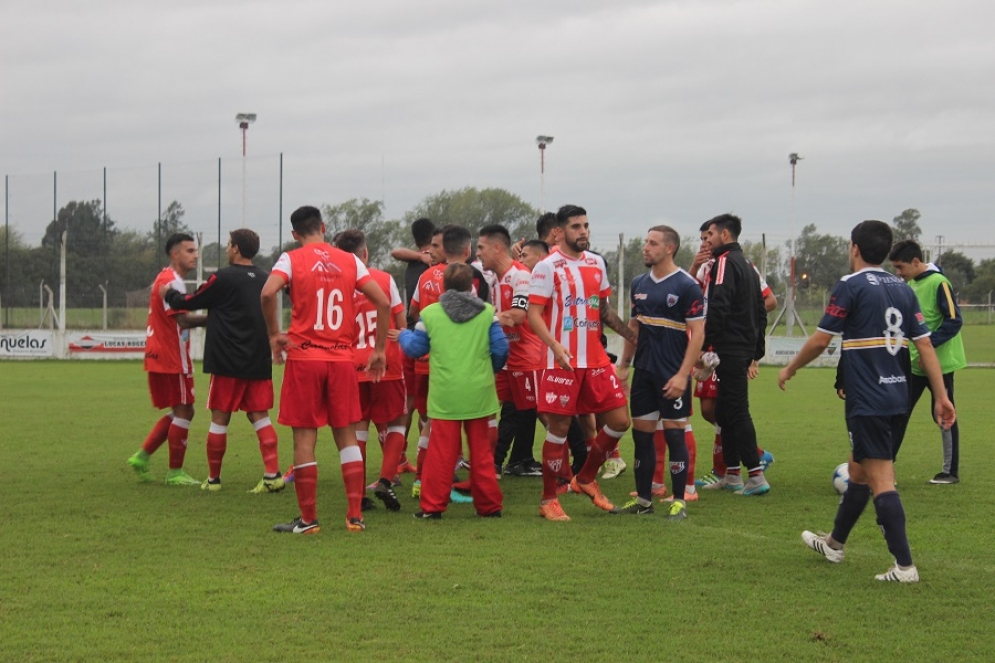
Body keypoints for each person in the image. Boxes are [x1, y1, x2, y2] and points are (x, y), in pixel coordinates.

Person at [779, 220, 955, 583]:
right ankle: (834, 544)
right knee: (858, 470)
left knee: (880, 479)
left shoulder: (850, 285)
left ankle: (904, 566)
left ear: (854, 248)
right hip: (897, 394)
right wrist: (941, 396)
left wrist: (791, 367)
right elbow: (924, 346)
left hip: (867, 398)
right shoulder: (904, 288)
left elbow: (820, 340)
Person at [262, 205, 390, 535]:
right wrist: (378, 349)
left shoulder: (291, 258)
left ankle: (308, 520)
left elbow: (267, 292)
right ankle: (354, 516)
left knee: (305, 437)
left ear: (294, 234)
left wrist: (275, 334)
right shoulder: (350, 260)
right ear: (323, 226)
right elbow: (384, 302)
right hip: (341, 359)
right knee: (347, 435)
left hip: (305, 359)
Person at [527, 204, 636, 521]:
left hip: (597, 360)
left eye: (586, 225)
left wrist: (633, 336)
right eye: (576, 226)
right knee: (558, 429)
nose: (584, 231)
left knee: (619, 422)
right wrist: (555, 346)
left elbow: (602, 310)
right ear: (560, 232)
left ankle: (585, 478)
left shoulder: (596, 264)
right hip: (562, 361)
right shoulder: (547, 268)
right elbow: (534, 315)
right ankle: (548, 498)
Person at [161, 229, 282, 494]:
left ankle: (214, 480)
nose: (227, 249)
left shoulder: (222, 278)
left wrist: (169, 294)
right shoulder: (266, 278)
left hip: (227, 361)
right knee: (261, 418)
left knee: (219, 420)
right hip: (257, 359)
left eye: (228, 245)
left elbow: (192, 301)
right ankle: (273, 475)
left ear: (236, 248)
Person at [399, 262, 508, 519]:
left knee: (441, 454)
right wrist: (487, 368)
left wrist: (403, 335)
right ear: (472, 286)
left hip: (446, 394)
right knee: (481, 452)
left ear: (443, 286)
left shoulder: (431, 314)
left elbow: (415, 349)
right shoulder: (486, 313)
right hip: (479, 392)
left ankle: (433, 507)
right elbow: (501, 349)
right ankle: (489, 506)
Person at [616, 226, 705, 520]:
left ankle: (679, 500)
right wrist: (625, 365)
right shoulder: (638, 283)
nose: (645, 248)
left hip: (672, 374)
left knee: (675, 436)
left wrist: (683, 375)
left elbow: (698, 333)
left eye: (652, 243)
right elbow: (634, 328)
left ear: (669, 248)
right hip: (644, 373)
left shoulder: (687, 285)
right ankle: (643, 500)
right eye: (645, 242)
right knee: (641, 437)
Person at [691, 222, 777, 488]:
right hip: (739, 346)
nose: (707, 241)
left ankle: (755, 473)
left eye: (711, 235)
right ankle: (731, 473)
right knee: (726, 410)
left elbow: (720, 304)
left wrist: (707, 344)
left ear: (724, 235)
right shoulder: (747, 266)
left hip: (728, 347)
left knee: (737, 410)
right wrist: (756, 350)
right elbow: (760, 312)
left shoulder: (724, 263)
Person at [408, 224, 489, 497]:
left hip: (426, 361)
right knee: (466, 426)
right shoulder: (474, 278)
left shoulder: (426, 276)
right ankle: (442, 479)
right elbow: (479, 319)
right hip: (461, 366)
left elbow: (414, 312)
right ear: (468, 250)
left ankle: (425, 477)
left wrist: (406, 338)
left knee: (428, 421)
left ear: (441, 249)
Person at [334, 229, 407, 511]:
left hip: (351, 365)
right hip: (386, 362)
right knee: (398, 422)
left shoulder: (337, 284)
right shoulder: (384, 279)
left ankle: (359, 496)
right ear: (365, 254)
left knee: (357, 429)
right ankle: (386, 480)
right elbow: (399, 325)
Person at [127, 233, 206, 486]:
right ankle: (175, 472)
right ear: (175, 254)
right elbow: (183, 320)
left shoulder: (165, 278)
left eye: (195, 251)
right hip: (172, 355)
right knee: (186, 410)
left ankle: (142, 456)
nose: (195, 255)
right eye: (190, 251)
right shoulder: (173, 282)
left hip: (159, 353)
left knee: (179, 409)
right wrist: (219, 317)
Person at [888, 240, 966, 484]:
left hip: (939, 363)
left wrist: (928, 348)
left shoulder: (939, 282)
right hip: (912, 363)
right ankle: (885, 470)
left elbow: (954, 320)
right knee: (899, 412)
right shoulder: (908, 285)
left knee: (943, 413)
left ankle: (949, 471)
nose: (898, 273)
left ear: (915, 262)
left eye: (901, 267)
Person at [476, 224, 544, 478]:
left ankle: (577, 461)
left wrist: (481, 317)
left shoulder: (520, 276)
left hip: (526, 357)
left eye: (481, 247)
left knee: (544, 414)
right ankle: (493, 463)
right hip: (506, 357)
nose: (478, 253)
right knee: (494, 407)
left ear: (497, 248)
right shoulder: (495, 278)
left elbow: (516, 316)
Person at [390, 217, 437, 477]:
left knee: (411, 403)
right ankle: (424, 460)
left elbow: (396, 251)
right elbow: (395, 251)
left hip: (410, 337)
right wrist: (425, 256)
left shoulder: (413, 262)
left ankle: (401, 457)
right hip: (427, 339)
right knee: (426, 405)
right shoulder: (430, 264)